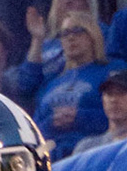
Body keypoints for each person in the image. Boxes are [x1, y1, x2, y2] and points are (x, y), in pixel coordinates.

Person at [33, 17, 111, 155]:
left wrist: (79, 117)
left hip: (91, 150)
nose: (70, 38)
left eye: (77, 31)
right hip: (50, 155)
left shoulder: (109, 71)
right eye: (65, 33)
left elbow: (121, 114)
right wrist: (52, 122)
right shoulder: (52, 81)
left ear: (93, 35)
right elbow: (34, 129)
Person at [95, 70, 127, 147]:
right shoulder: (88, 147)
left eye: (121, 92)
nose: (113, 99)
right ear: (103, 101)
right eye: (109, 94)